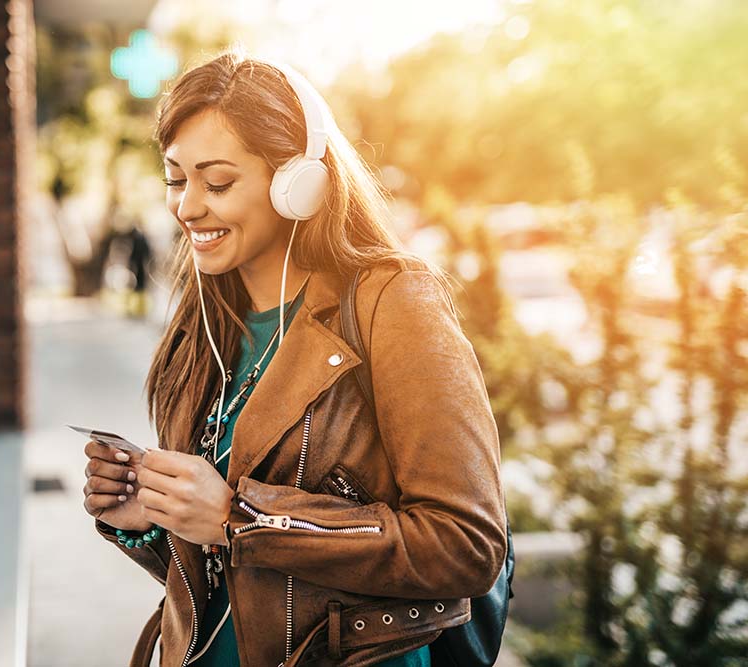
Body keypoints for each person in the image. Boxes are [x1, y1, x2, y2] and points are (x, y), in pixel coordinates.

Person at [82, 51, 507, 667]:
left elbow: (464, 545)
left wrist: (240, 516)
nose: (186, 207)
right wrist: (150, 518)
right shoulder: (204, 316)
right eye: (177, 179)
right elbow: (237, 582)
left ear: (298, 184)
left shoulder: (393, 303)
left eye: (218, 182)